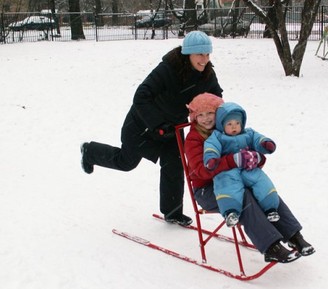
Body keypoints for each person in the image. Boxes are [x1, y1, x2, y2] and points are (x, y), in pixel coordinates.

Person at [80, 31, 223, 226]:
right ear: (188, 53)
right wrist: (157, 124)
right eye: (200, 54)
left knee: (174, 165)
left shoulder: (207, 73)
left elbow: (216, 98)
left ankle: (172, 212)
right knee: (126, 162)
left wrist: (225, 119)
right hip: (143, 125)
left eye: (207, 54)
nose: (204, 59)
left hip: (173, 127)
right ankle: (90, 151)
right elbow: (141, 96)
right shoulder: (168, 69)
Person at [184, 93, 315, 263]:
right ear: (194, 117)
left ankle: (294, 236)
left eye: (210, 113)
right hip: (207, 190)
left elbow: (251, 153)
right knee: (245, 196)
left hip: (238, 180)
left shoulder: (230, 128)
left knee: (264, 190)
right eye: (200, 115)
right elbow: (201, 171)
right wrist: (233, 160)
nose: (206, 119)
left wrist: (257, 158)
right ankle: (271, 246)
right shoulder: (194, 139)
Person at [203, 102, 280, 227]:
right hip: (229, 170)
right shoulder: (217, 136)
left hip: (248, 167)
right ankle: (231, 212)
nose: (234, 127)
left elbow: (258, 138)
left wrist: (265, 143)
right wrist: (211, 158)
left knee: (261, 180)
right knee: (227, 185)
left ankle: (271, 208)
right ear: (221, 124)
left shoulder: (248, 133)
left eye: (237, 123)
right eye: (229, 124)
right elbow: (211, 147)